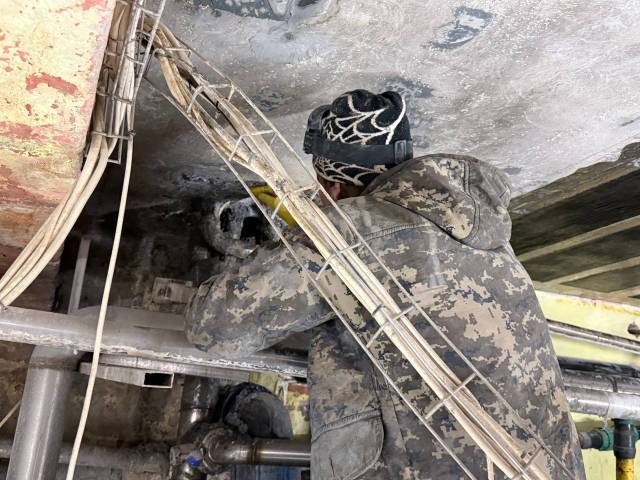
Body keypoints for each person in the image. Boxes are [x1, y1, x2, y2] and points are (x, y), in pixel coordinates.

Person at [185, 89, 586, 479]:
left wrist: (294, 245)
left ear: (333, 187)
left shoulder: (348, 232)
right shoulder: (490, 239)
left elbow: (212, 327)